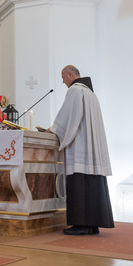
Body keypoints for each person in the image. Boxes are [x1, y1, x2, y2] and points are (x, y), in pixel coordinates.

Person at [46, 65, 114, 236]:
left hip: (80, 146)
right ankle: (92, 225)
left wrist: (53, 129)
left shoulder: (75, 91)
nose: (63, 81)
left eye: (63, 77)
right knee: (92, 184)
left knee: (80, 183)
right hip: (91, 148)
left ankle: (81, 225)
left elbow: (68, 117)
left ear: (70, 75)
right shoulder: (91, 94)